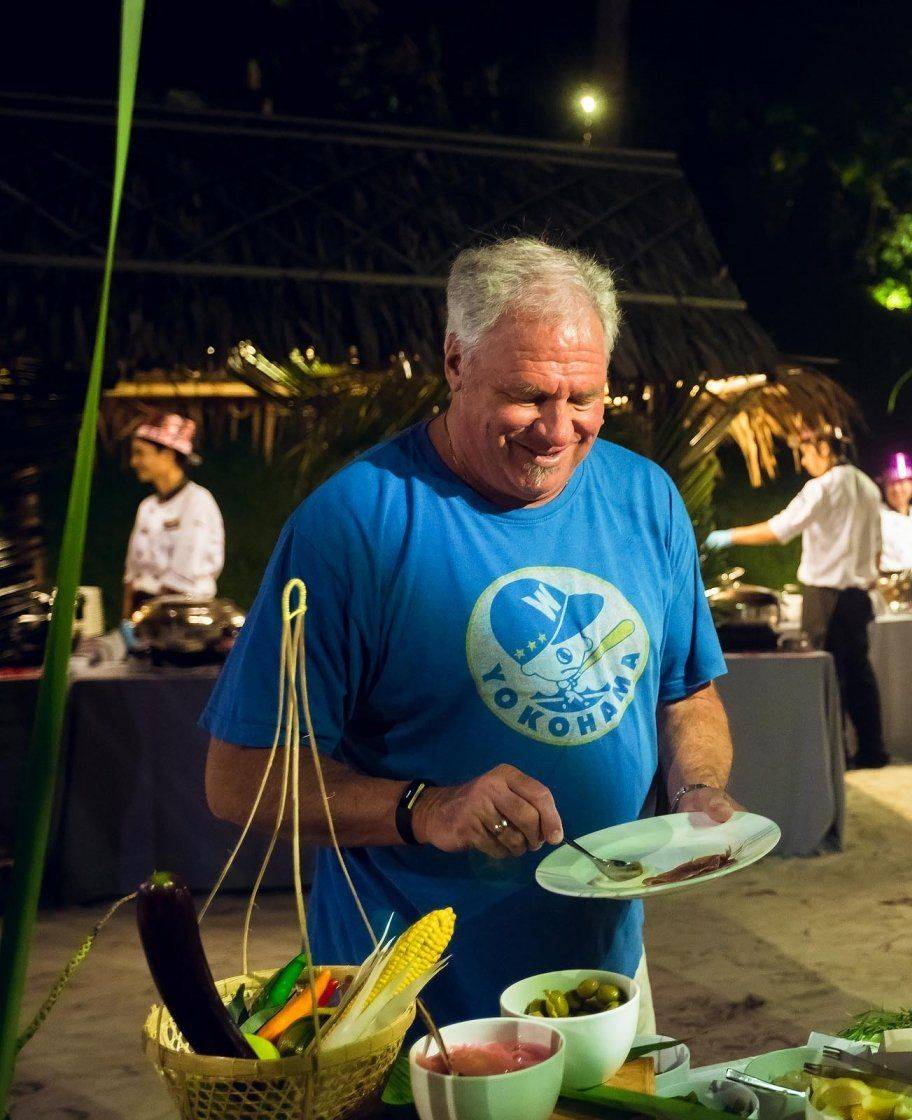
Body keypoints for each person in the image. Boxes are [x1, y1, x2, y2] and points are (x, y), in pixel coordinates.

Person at [202, 237, 738, 1029]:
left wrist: (696, 792)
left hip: (605, 980)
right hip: (402, 1002)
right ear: (455, 361)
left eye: (584, 398)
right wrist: (427, 807)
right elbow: (237, 779)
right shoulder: (351, 525)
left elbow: (686, 694)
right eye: (529, 396)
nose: (558, 429)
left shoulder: (646, 498)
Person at [707, 428, 888, 769]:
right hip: (859, 596)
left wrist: (728, 536)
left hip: (826, 597)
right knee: (860, 673)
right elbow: (878, 549)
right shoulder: (868, 486)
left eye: (805, 453)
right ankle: (873, 750)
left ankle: (834, 756)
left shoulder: (822, 487)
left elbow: (780, 530)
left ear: (824, 449)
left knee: (826, 674)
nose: (804, 462)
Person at [123, 413, 225, 616]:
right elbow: (132, 574)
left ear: (168, 454)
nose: (134, 462)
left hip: (183, 615)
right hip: (145, 614)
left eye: (140, 453)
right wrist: (127, 620)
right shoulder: (147, 506)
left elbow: (183, 576)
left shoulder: (197, 501)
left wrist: (149, 618)